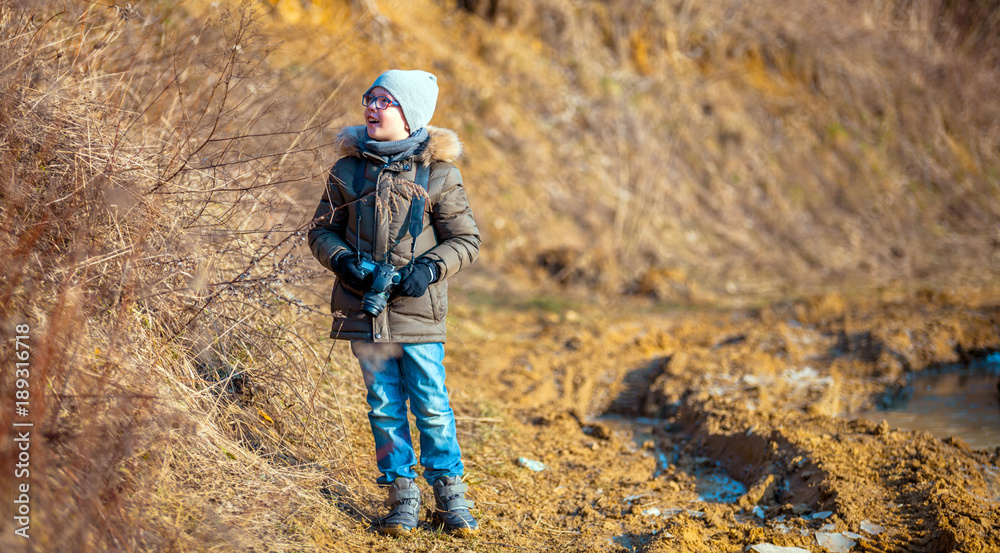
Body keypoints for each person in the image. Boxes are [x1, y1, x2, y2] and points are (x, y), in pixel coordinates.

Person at [308, 69, 481, 537]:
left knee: (430, 404)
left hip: (419, 314)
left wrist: (426, 270)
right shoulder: (347, 170)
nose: (372, 106)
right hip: (366, 312)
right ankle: (401, 495)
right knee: (384, 405)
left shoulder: (439, 174)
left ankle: (450, 497)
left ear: (410, 115)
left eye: (385, 101)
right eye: (370, 97)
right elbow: (320, 230)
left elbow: (465, 240)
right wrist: (342, 261)